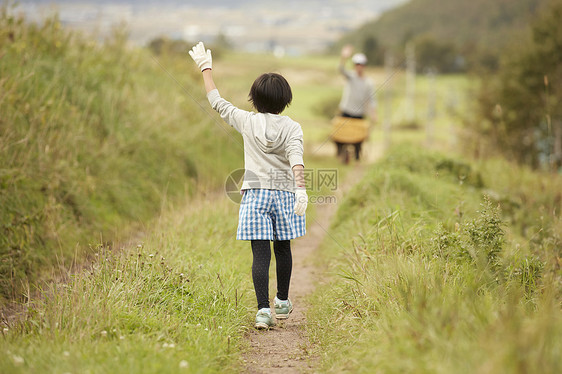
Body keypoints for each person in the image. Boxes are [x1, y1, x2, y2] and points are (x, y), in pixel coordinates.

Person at [188, 42, 308, 330]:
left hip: (254, 194)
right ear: (286, 100)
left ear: (254, 99)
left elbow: (216, 101)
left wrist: (206, 68)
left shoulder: (245, 120)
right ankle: (281, 301)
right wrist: (301, 189)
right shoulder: (292, 127)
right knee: (283, 249)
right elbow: (296, 160)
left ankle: (263, 311)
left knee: (260, 253)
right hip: (283, 193)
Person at [336, 45, 376, 161]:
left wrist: (373, 113)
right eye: (357, 64)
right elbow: (341, 69)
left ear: (364, 66)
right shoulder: (351, 77)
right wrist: (344, 57)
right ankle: (341, 154)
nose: (359, 67)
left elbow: (372, 99)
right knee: (339, 135)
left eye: (361, 64)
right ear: (354, 66)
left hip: (359, 114)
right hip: (346, 111)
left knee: (358, 139)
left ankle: (357, 159)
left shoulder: (368, 82)